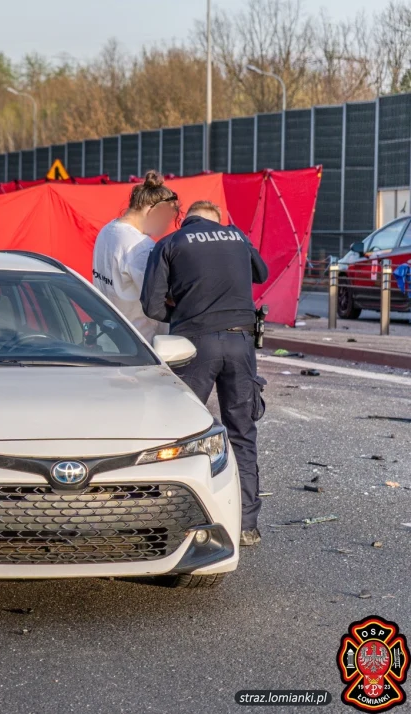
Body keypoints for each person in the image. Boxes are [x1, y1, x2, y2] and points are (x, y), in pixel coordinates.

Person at [141, 200, 269, 548]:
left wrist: (185, 311)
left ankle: (175, 519)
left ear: (185, 220)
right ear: (217, 222)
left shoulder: (169, 244)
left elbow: (150, 305)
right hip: (241, 342)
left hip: (193, 344)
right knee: (242, 431)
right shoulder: (237, 237)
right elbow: (262, 273)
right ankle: (246, 525)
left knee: (180, 432)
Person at [91, 171, 177, 342]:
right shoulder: (141, 247)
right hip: (141, 342)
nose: (165, 227)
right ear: (153, 211)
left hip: (110, 336)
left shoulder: (107, 231)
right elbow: (160, 295)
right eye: (166, 219)